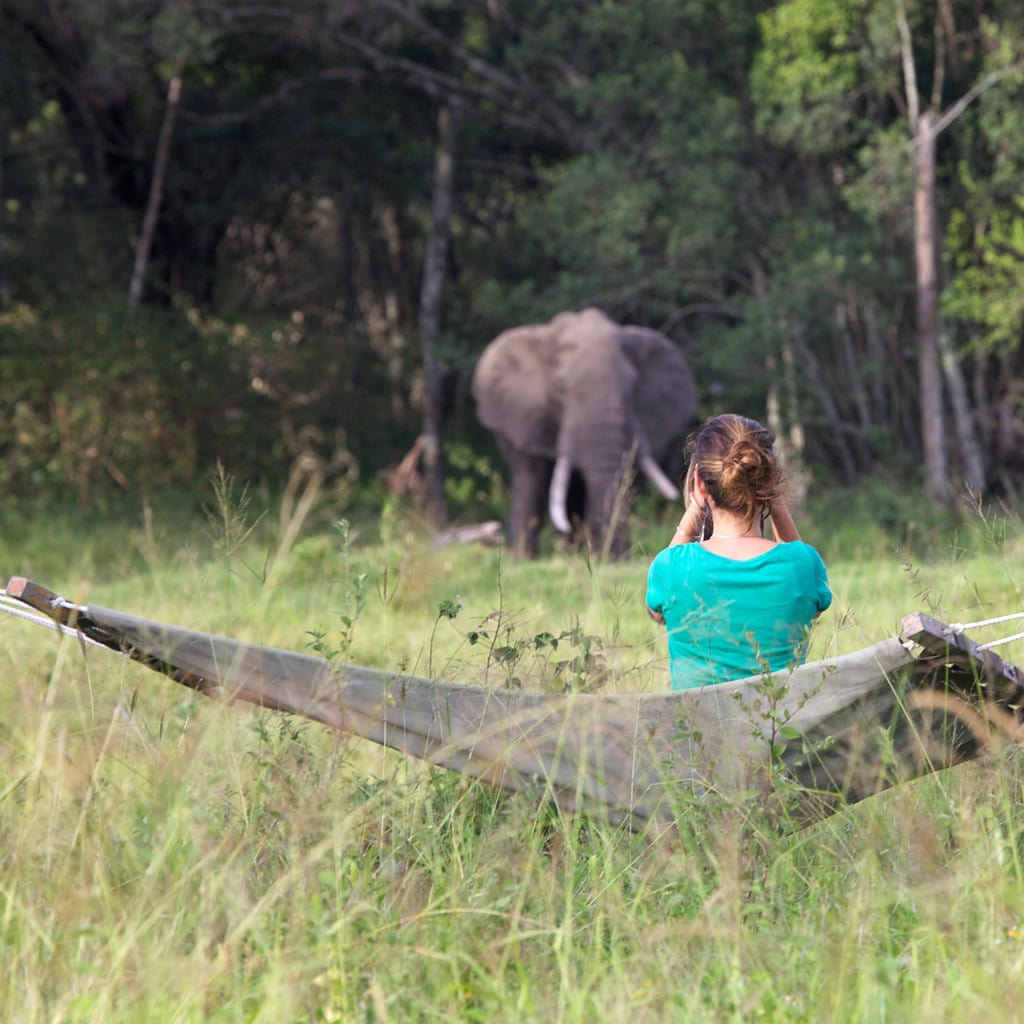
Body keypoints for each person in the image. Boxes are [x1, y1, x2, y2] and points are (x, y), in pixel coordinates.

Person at [646, 414, 831, 690]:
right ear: (771, 481)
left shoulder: (670, 567)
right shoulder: (804, 564)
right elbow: (809, 599)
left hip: (698, 719)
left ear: (700, 483)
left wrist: (694, 511)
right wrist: (777, 504)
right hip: (781, 718)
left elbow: (657, 614)